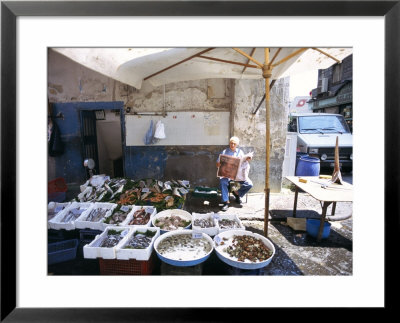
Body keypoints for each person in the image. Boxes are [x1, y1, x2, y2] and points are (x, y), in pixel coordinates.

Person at [216, 136, 253, 211]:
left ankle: (237, 193)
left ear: (237, 145)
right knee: (223, 182)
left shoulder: (240, 152)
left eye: (234, 144)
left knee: (249, 184)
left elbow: (244, 162)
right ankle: (226, 202)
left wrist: (247, 159)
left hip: (238, 176)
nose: (232, 145)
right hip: (227, 175)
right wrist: (219, 164)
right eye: (231, 143)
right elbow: (217, 163)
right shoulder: (225, 151)